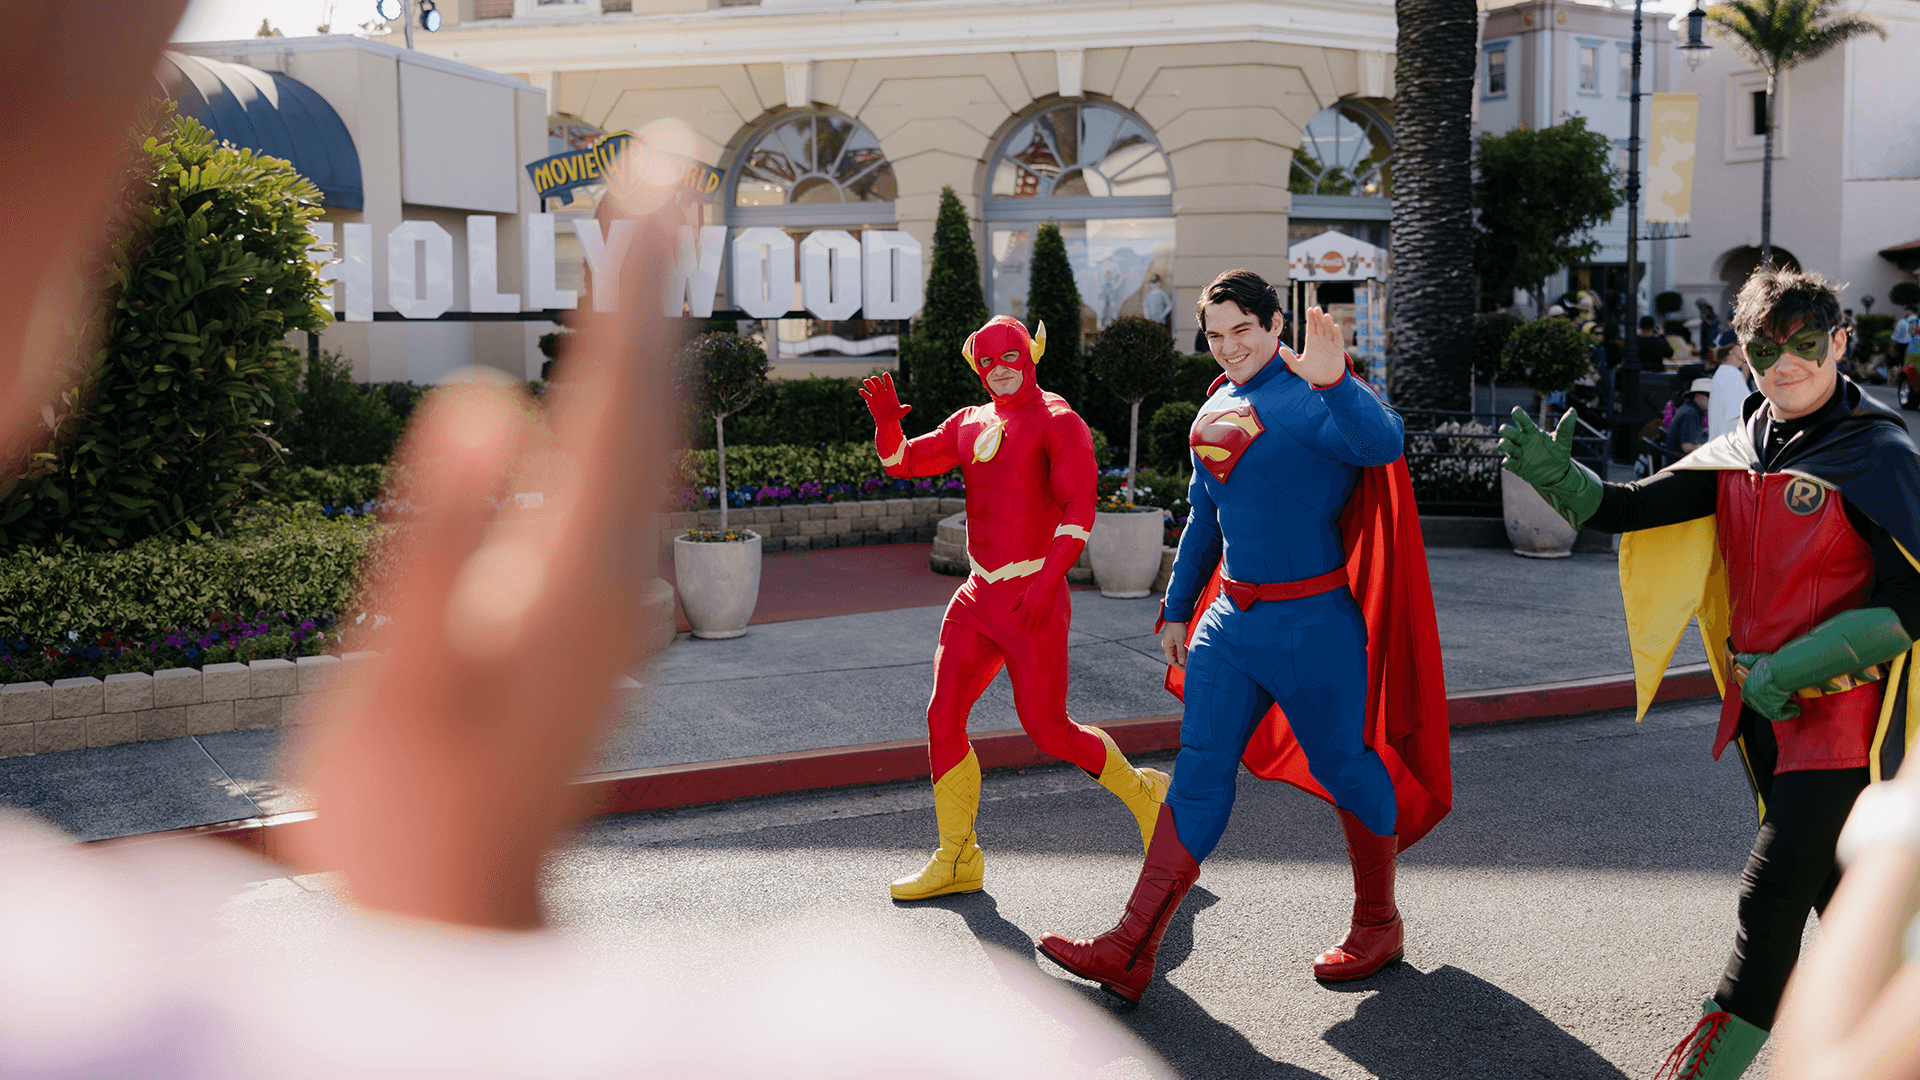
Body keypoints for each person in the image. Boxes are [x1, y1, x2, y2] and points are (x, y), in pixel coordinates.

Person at [1499, 264, 1920, 1079]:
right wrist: (1562, 481)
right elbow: (1633, 508)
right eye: (1766, 347)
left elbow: (1912, 603)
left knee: (1768, 903)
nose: (1786, 363)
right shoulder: (1743, 445)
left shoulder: (1879, 454)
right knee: (1841, 898)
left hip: (1844, 724)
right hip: (1763, 716)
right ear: (1742, 350)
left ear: (1839, 343)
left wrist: (1795, 667)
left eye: (1805, 344)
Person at [1034, 270, 1451, 1003]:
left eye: (1243, 332)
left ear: (1274, 324)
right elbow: (1205, 517)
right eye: (1216, 336)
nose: (1229, 348)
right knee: (1197, 774)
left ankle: (1379, 922)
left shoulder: (1315, 390)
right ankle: (1130, 948)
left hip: (1314, 623)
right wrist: (1177, 603)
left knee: (1347, 768)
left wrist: (1337, 384)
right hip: (1227, 624)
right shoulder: (1217, 403)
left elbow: (1382, 444)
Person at [858, 316, 1169, 901]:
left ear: (1030, 354)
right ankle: (956, 857)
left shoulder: (1059, 421)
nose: (999, 370)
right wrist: (884, 426)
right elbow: (902, 460)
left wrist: (1048, 583)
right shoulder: (969, 422)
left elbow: (1079, 510)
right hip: (978, 596)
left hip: (1034, 599)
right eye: (987, 363)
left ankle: (1146, 794)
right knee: (941, 716)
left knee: (1049, 731)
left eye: (1009, 357)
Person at [1709, 343, 1755, 440]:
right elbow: (1738, 412)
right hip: (1730, 440)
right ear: (1732, 350)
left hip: (1723, 440)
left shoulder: (1726, 372)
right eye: (1740, 345)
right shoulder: (1729, 373)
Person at [1666, 377, 1712, 456]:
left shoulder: (1688, 408)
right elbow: (1687, 447)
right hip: (1684, 464)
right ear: (1698, 396)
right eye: (1710, 396)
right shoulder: (1691, 413)